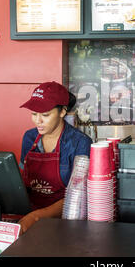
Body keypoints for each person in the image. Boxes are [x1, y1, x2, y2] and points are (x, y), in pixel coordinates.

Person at [18, 81, 92, 234]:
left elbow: (79, 196)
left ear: (62, 112)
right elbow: (21, 181)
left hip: (66, 223)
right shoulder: (29, 137)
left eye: (45, 115)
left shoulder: (79, 142)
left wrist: (38, 216)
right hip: (29, 216)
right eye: (34, 114)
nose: (38, 120)